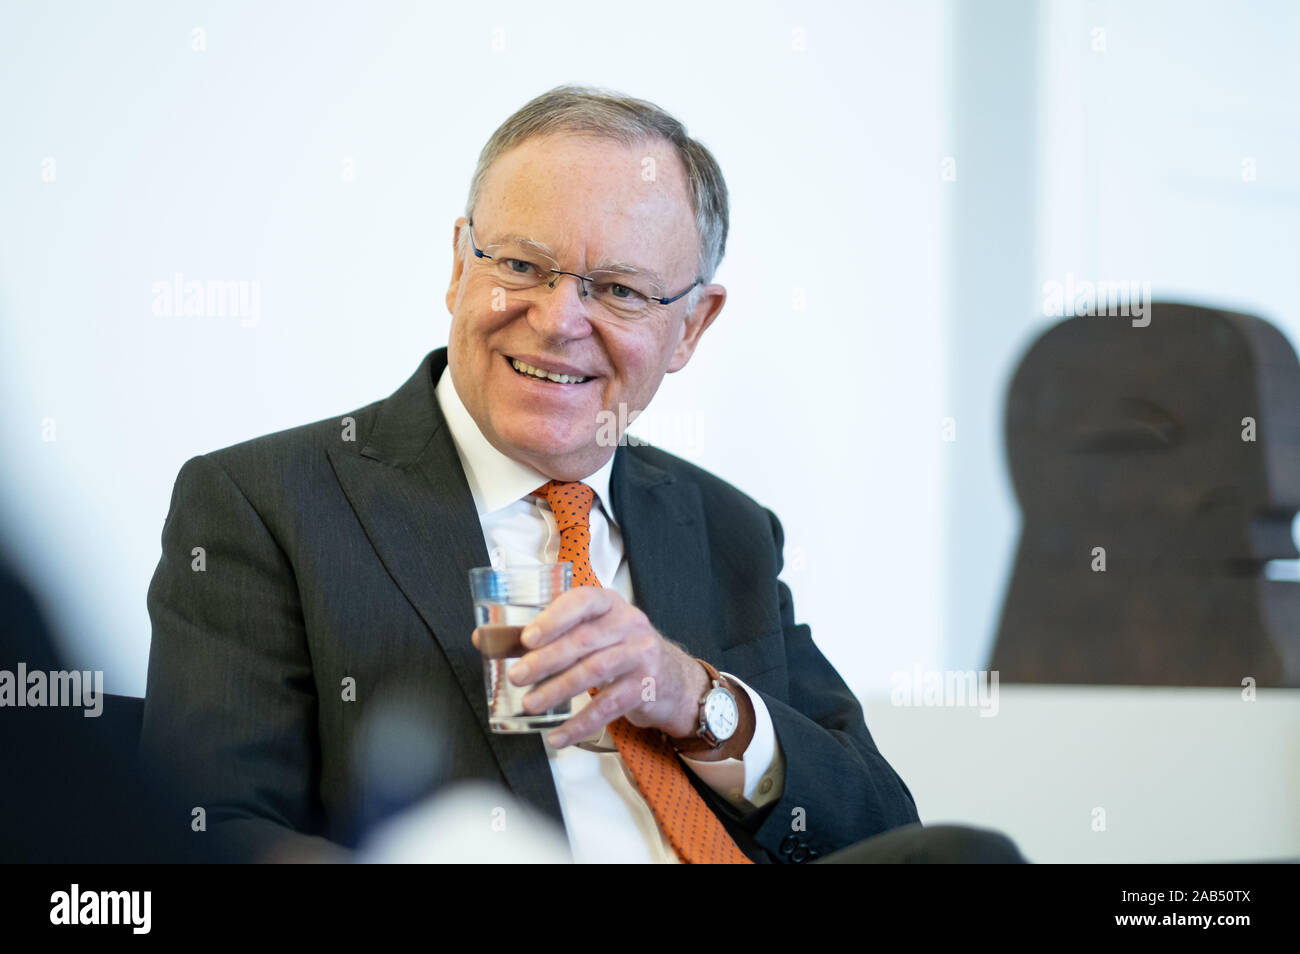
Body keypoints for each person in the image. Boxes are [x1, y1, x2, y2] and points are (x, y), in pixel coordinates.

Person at [142, 84, 1024, 864]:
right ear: (458, 265)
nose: (560, 320)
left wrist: (692, 696)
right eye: (521, 265)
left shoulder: (726, 527)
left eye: (621, 290)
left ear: (692, 328)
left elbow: (877, 824)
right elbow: (206, 830)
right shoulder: (267, 503)